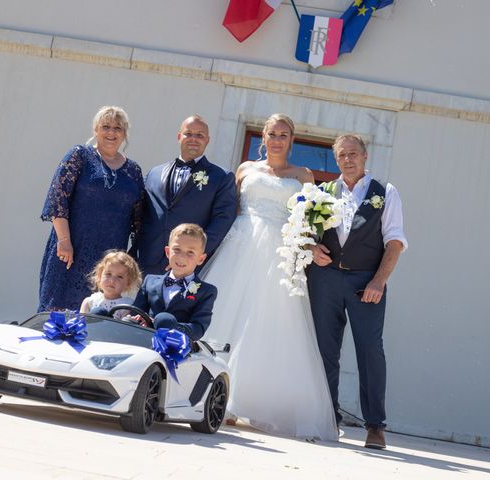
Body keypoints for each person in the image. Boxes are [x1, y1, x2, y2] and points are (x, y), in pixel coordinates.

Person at [200, 114, 338, 441]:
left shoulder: (304, 175)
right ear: (263, 137)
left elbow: (306, 222)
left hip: (279, 251)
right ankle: (220, 399)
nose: (277, 139)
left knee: (268, 325)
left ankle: (252, 401)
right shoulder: (246, 169)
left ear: (292, 140)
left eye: (284, 134)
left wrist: (311, 246)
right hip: (240, 245)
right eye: (272, 133)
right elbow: (230, 211)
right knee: (226, 315)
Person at [307, 134, 407, 450]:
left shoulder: (386, 193)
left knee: (370, 351)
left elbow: (395, 241)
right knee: (324, 349)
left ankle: (375, 426)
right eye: (341, 155)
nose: (347, 160)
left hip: (366, 281)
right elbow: (305, 234)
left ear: (365, 156)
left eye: (353, 154)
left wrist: (379, 281)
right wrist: (312, 249)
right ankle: (328, 418)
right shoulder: (323, 193)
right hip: (325, 279)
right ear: (336, 160)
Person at [38, 106, 144, 312]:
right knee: (58, 312)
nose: (111, 132)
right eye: (106, 126)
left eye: (117, 128)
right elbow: (58, 200)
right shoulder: (79, 156)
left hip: (109, 262)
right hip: (71, 251)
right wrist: (64, 241)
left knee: (98, 318)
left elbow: (138, 218)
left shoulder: (134, 171)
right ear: (96, 129)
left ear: (124, 134)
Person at [137, 115, 237, 276]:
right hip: (148, 261)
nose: (193, 139)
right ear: (179, 137)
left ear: (207, 140)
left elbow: (222, 221)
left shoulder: (221, 178)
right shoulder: (154, 173)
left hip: (189, 267)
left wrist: (192, 256)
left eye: (199, 135)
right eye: (188, 133)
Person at [133, 224, 216, 341]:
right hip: (144, 342)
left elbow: (198, 329)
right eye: (177, 250)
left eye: (190, 252)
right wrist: (136, 318)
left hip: (177, 348)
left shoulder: (206, 291)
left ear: (201, 259)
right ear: (167, 252)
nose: (181, 257)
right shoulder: (149, 281)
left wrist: (168, 326)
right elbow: (136, 311)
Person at [80, 250, 142, 315]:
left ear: (128, 284)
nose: (112, 280)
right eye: (108, 274)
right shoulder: (89, 302)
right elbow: (81, 323)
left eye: (119, 277)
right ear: (100, 275)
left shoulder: (127, 307)